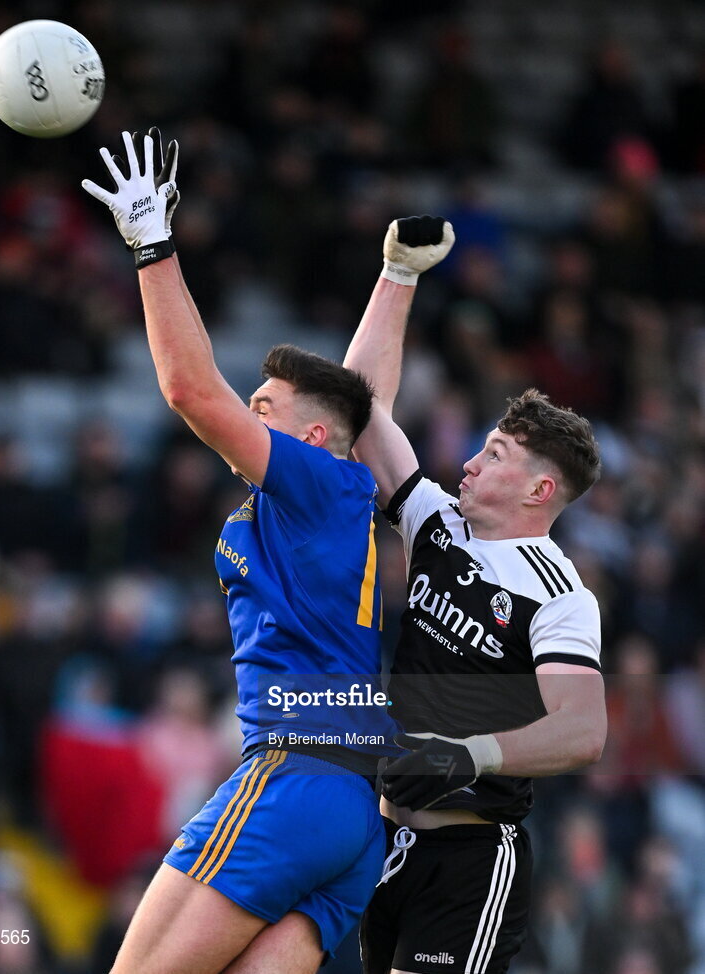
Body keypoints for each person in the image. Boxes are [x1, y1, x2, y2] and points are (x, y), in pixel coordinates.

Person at [81, 130, 400, 974]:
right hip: (353, 814)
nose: (246, 414)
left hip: (291, 785)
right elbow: (372, 396)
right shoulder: (335, 492)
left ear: (314, 436)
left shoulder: (315, 483)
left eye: (263, 403)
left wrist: (151, 244)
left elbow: (189, 390)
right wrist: (395, 277)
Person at [343, 215, 608, 974]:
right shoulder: (438, 524)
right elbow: (358, 414)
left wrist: (469, 754)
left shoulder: (560, 596)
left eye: (493, 454)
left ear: (539, 488)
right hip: (381, 839)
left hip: (467, 857)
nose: (467, 462)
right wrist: (398, 273)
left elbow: (583, 731)